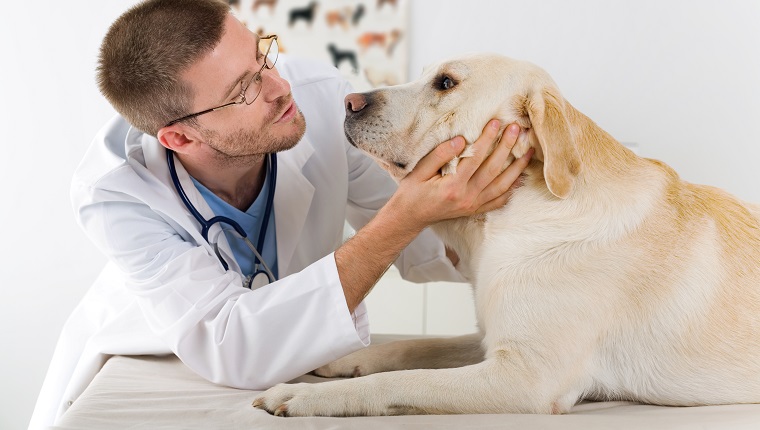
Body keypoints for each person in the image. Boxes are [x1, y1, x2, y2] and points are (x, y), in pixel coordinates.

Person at [30, 0, 532, 427]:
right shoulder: (116, 193)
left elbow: (433, 245)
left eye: (262, 55)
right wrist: (406, 215)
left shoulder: (320, 98)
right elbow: (233, 346)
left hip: (281, 362)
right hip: (157, 361)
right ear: (180, 138)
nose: (278, 86)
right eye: (244, 90)